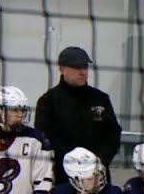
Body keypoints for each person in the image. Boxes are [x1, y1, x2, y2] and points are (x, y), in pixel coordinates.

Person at [34, 46, 123, 183]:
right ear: (62, 69)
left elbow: (113, 134)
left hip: (97, 176)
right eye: (77, 67)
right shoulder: (48, 101)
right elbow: (46, 139)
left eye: (85, 67)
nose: (83, 72)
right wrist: (74, 163)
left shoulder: (100, 99)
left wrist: (99, 162)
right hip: (62, 177)